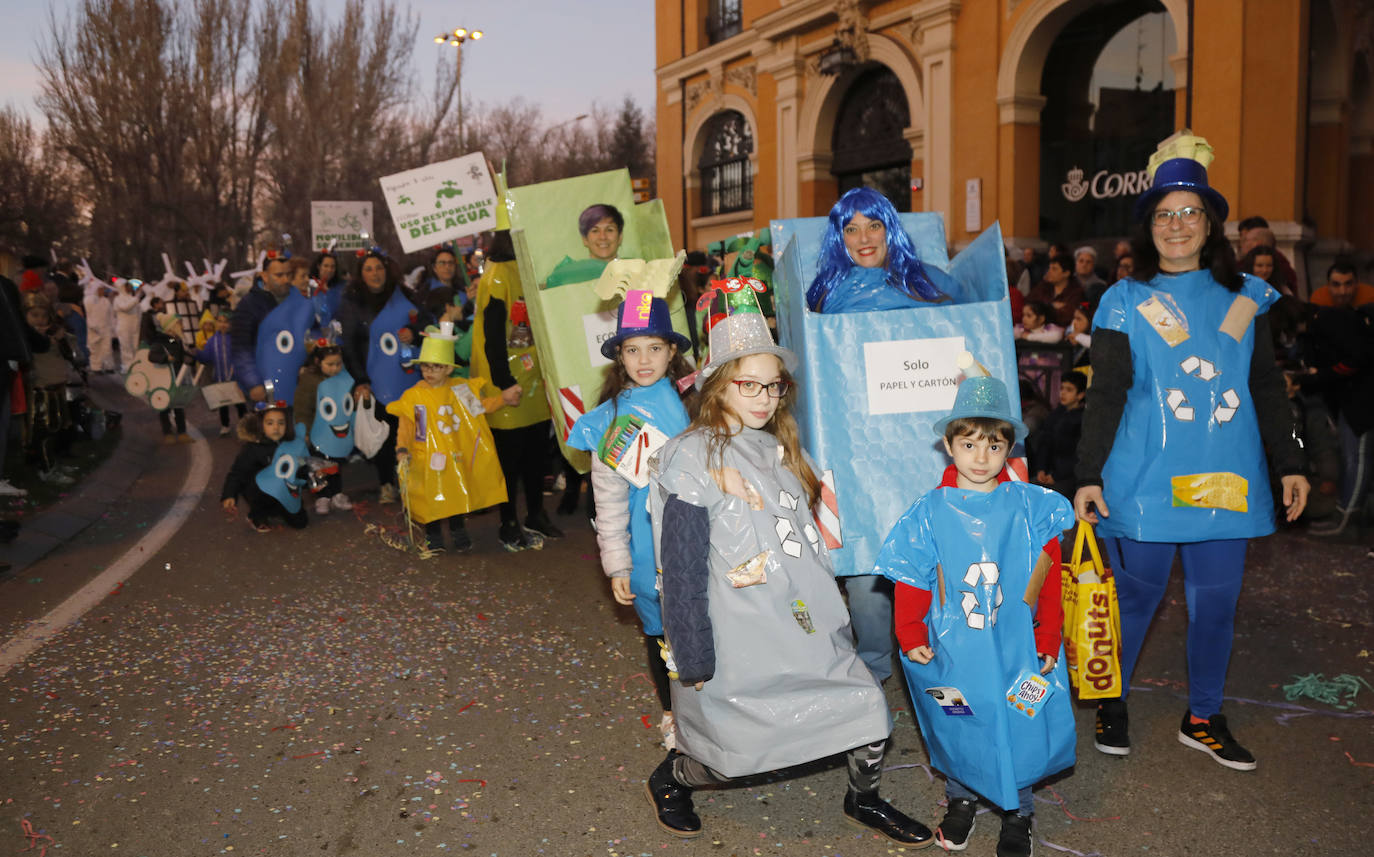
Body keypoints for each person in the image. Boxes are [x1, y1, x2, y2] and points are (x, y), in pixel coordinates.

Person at [643, 306, 933, 846]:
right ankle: (674, 776)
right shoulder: (688, 459)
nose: (762, 398)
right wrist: (693, 654)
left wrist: (837, 611)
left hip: (803, 624)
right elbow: (680, 571)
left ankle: (862, 798)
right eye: (747, 384)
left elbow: (804, 544)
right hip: (739, 638)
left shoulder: (778, 449)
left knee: (868, 713)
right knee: (734, 756)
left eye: (772, 387)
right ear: (717, 385)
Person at [1073, 137, 1309, 769]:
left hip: (1225, 479)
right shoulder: (1125, 301)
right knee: (1136, 599)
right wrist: (1088, 473)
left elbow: (1265, 387)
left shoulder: (1245, 300)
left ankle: (1203, 715)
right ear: (1149, 227)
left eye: (1189, 213)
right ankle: (1113, 698)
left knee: (1215, 606)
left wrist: (1291, 463)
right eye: (1163, 214)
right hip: (1145, 478)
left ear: (1210, 225)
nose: (1176, 225)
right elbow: (1107, 393)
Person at [875, 374, 1075, 857]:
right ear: (948, 445)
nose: (981, 458)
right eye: (969, 444)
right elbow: (911, 575)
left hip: (1017, 643)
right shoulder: (928, 512)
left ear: (1010, 448)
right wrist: (908, 631)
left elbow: (1048, 576)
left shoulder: (1031, 508)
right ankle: (962, 799)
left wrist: (1049, 636)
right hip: (954, 645)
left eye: (994, 445)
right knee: (959, 716)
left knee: (1017, 718)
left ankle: (1018, 811)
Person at [566, 291, 693, 750]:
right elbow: (610, 499)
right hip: (647, 545)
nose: (644, 359)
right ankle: (671, 712)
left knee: (707, 620)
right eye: (633, 349)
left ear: (672, 351)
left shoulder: (697, 403)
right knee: (660, 628)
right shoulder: (610, 420)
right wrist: (618, 563)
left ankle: (715, 709)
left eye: (654, 348)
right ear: (619, 355)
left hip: (701, 536)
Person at [388, 323, 517, 553]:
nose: (429, 371)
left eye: (435, 367)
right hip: (426, 458)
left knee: (455, 492)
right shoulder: (415, 396)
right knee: (430, 498)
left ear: (448, 369)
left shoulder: (460, 390)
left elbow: (480, 407)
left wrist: (503, 400)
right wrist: (402, 449)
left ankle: (458, 531)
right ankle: (433, 535)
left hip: (454, 456)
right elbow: (407, 426)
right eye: (425, 366)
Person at [469, 230, 558, 549]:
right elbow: (492, 336)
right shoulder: (496, 275)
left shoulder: (527, 269)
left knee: (536, 455)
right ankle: (508, 522)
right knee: (509, 461)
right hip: (507, 383)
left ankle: (535, 513)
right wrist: (505, 381)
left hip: (532, 378)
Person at [337, 247, 441, 505]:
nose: (375, 273)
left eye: (379, 268)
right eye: (369, 269)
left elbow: (428, 325)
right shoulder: (352, 302)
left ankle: (412, 483)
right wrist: (361, 380)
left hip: (410, 378)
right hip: (376, 380)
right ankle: (386, 483)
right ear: (361, 274)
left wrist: (414, 333)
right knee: (385, 436)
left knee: (414, 433)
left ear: (388, 270)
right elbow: (348, 345)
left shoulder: (405, 294)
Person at [806, 186, 961, 313]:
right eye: (852, 230)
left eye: (874, 226)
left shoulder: (931, 279)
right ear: (840, 238)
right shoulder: (825, 289)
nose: (864, 238)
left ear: (890, 231)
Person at [221, 404, 309, 532]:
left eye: (281, 423)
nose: (276, 427)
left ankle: (278, 509)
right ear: (261, 425)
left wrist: (311, 477)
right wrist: (229, 495)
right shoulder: (253, 448)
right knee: (261, 485)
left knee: (301, 523)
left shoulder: (292, 445)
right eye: (270, 423)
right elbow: (237, 473)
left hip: (285, 489)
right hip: (260, 492)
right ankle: (257, 515)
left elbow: (303, 466)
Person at [294, 342, 355, 514]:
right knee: (319, 465)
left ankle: (336, 494)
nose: (335, 368)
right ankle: (322, 496)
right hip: (317, 431)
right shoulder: (309, 380)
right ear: (317, 361)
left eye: (338, 364)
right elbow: (302, 408)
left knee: (336, 463)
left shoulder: (342, 377)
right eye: (330, 364)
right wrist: (303, 431)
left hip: (337, 431)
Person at [230, 253, 294, 404]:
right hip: (265, 383)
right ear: (264, 276)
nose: (285, 280)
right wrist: (253, 382)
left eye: (288, 274)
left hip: (292, 379)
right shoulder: (249, 305)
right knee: (271, 425)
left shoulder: (295, 300)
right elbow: (241, 348)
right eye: (279, 275)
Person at [1031, 370, 1087, 498]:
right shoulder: (1055, 414)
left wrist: (1056, 476)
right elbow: (1045, 443)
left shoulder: (1084, 419)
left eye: (1069, 390)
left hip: (1069, 477)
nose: (1063, 393)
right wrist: (1041, 469)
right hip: (1047, 474)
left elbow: (1079, 454)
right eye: (1062, 388)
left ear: (1080, 394)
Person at [545, 203, 628, 288]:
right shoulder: (568, 275)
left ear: (620, 237)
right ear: (585, 239)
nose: (603, 237)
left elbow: (639, 300)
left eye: (609, 230)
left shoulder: (635, 271)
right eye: (595, 231)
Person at [192, 313, 245, 436]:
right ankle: (225, 425)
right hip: (219, 377)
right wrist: (197, 353)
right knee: (223, 404)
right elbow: (206, 358)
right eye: (220, 321)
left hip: (236, 378)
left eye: (226, 321)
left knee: (240, 404)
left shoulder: (237, 338)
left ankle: (244, 426)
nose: (222, 324)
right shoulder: (212, 341)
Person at [151, 311, 192, 444]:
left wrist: (194, 356)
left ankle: (182, 432)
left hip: (177, 379)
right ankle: (167, 432)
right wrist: (165, 358)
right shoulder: (161, 341)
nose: (182, 326)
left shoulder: (176, 340)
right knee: (164, 407)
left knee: (178, 406)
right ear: (171, 326)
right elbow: (151, 356)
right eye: (179, 324)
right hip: (164, 381)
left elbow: (183, 354)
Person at [1025, 257, 1085, 327]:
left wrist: (1041, 310)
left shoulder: (1076, 292)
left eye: (1054, 269)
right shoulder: (1043, 286)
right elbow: (1027, 304)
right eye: (1049, 268)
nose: (1049, 272)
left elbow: (1068, 316)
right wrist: (1051, 306)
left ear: (1066, 273)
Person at [1308, 256, 1374, 309]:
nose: (1343, 292)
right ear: (1328, 285)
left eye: (1348, 284)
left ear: (1356, 284)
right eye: (1336, 284)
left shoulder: (1370, 297)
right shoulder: (1319, 299)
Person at [83, 280, 117, 373]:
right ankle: (96, 367)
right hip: (94, 330)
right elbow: (88, 315)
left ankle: (108, 366)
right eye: (100, 289)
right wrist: (94, 326)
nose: (103, 291)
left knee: (107, 349)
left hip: (106, 329)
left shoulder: (106, 301)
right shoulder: (88, 300)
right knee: (95, 349)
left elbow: (111, 315)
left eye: (103, 289)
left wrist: (113, 328)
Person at [113, 279, 142, 372]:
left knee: (135, 346)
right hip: (124, 326)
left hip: (134, 326)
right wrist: (136, 298)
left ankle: (136, 366)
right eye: (127, 285)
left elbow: (138, 311)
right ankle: (127, 366)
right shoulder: (118, 299)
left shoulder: (132, 298)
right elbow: (125, 307)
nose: (130, 287)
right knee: (126, 347)